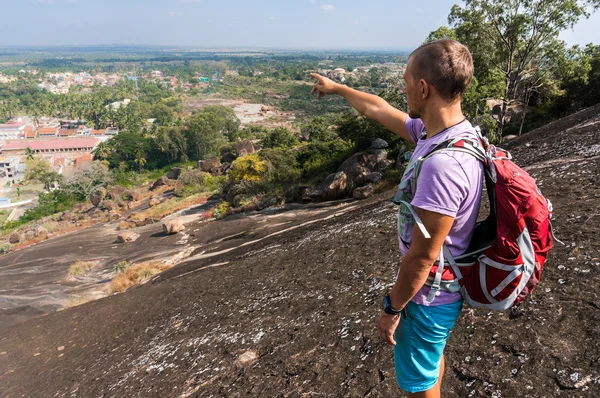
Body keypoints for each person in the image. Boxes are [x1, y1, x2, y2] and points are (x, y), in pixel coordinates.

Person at [310, 40, 483, 397]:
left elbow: (423, 256)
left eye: (406, 81)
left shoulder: (442, 165)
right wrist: (339, 88)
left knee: (419, 385)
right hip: (443, 288)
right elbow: (378, 109)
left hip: (428, 297)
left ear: (423, 88)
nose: (403, 89)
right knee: (430, 361)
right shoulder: (450, 136)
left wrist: (392, 307)